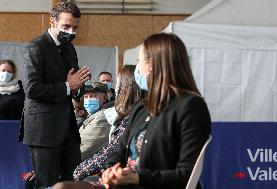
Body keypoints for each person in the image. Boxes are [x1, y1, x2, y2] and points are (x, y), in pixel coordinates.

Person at [53, 33, 211, 189]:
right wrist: (111, 171)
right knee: (63, 187)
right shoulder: (142, 107)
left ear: (152, 66)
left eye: (139, 61)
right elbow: (118, 153)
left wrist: (137, 178)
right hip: (123, 184)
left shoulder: (191, 107)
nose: (136, 67)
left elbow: (186, 175)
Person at [19, 2, 90, 188]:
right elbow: (32, 89)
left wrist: (76, 89)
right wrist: (68, 86)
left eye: (75, 28)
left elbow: (74, 84)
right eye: (66, 26)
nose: (71, 31)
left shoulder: (69, 48)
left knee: (72, 181)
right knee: (46, 183)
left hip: (68, 129)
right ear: (53, 22)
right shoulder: (35, 47)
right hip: (44, 130)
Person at [80, 82, 111, 161]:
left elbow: (85, 148)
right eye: (86, 97)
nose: (89, 100)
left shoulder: (101, 118)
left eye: (93, 96)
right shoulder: (91, 115)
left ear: (104, 97)